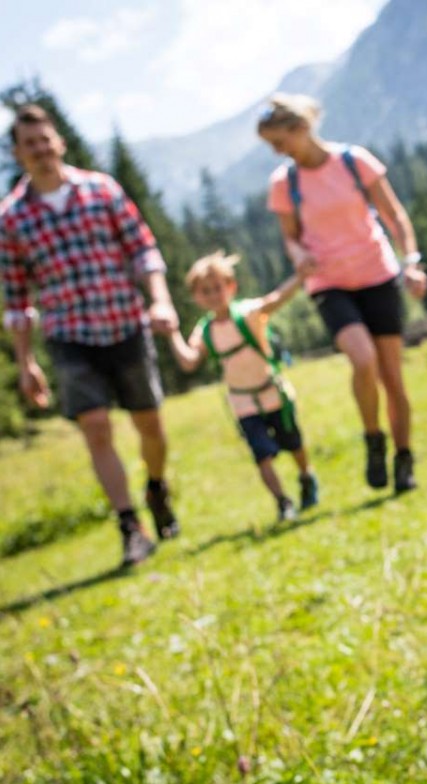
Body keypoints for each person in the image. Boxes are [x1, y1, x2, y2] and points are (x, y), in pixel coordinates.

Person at [1, 104, 181, 568]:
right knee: (96, 428)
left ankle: (156, 488)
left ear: (58, 142)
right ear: (18, 153)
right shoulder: (12, 217)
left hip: (125, 321)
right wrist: (27, 363)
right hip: (68, 335)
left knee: (151, 427)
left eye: (46, 140)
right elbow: (17, 300)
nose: (41, 150)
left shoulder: (102, 189)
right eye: (30, 144)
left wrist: (160, 300)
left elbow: (142, 249)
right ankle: (130, 526)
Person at [257, 93, 427, 495]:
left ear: (301, 129)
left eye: (280, 142)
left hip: (378, 275)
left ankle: (403, 458)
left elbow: (394, 215)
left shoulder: (354, 162)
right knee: (362, 358)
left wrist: (413, 261)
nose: (277, 152)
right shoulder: (285, 183)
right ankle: (373, 437)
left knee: (393, 378)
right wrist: (300, 257)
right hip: (328, 284)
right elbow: (290, 239)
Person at [168, 250, 319, 522]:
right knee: (262, 456)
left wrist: (299, 278)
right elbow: (189, 362)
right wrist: (171, 333)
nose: (214, 295)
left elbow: (276, 299)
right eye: (206, 291)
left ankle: (306, 476)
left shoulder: (248, 313)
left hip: (273, 393)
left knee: (293, 444)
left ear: (231, 287)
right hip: (242, 402)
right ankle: (283, 502)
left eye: (218, 288)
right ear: (197, 297)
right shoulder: (204, 331)